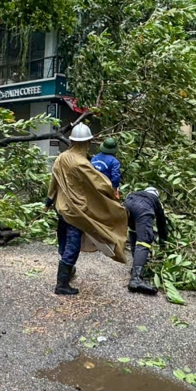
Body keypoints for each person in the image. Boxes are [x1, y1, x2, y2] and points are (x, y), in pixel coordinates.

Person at [45, 124, 128, 296]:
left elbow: (54, 179)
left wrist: (49, 199)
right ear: (87, 142)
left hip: (61, 207)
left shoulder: (61, 157)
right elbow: (101, 183)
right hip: (76, 212)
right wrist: (112, 197)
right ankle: (62, 284)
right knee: (73, 245)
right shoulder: (82, 163)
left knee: (63, 238)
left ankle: (68, 272)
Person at [124, 187, 168, 295]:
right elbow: (161, 224)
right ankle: (136, 279)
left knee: (134, 230)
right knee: (144, 241)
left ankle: (136, 267)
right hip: (143, 208)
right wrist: (163, 242)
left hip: (127, 203)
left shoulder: (137, 193)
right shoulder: (155, 200)